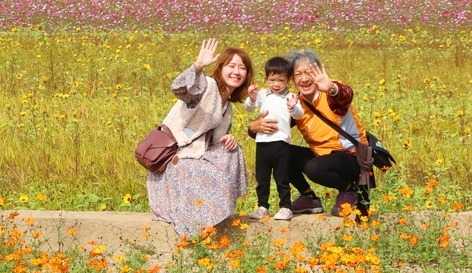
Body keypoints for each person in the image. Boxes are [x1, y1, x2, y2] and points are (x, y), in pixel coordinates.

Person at [147, 38, 252, 236]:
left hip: (195, 155)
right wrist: (197, 68)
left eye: (242, 68)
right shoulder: (207, 87)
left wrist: (228, 139)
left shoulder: (227, 106)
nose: (236, 72)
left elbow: (210, 142)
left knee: (233, 151)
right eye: (231, 66)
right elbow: (182, 91)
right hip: (174, 156)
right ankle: (194, 225)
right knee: (204, 172)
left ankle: (212, 215)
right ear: (220, 68)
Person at [249, 49, 370, 217]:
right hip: (323, 156)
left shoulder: (329, 93)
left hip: (351, 157)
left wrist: (332, 88)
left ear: (318, 72)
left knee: (314, 167)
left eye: (308, 73)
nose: (304, 79)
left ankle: (349, 190)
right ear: (292, 78)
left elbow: (345, 94)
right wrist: (253, 127)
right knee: (280, 151)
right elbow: (275, 128)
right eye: (298, 74)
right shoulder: (296, 102)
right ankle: (309, 197)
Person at [245, 56, 304, 221]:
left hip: (280, 143)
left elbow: (299, 114)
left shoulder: (291, 97)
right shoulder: (263, 94)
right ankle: (262, 206)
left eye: (281, 80)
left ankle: (285, 207)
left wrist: (292, 107)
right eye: (272, 80)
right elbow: (249, 108)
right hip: (262, 143)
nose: (276, 84)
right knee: (261, 179)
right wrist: (251, 98)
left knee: (282, 178)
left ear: (288, 80)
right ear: (266, 79)